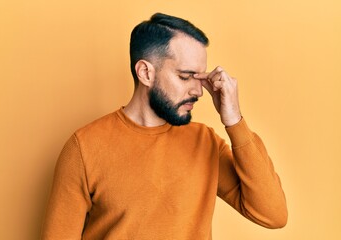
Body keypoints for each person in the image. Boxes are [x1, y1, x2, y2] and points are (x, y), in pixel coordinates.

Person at [42, 12, 287, 240]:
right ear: (145, 73)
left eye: (200, 78)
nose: (198, 91)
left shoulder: (205, 141)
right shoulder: (84, 147)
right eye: (185, 76)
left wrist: (234, 121)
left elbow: (273, 214)